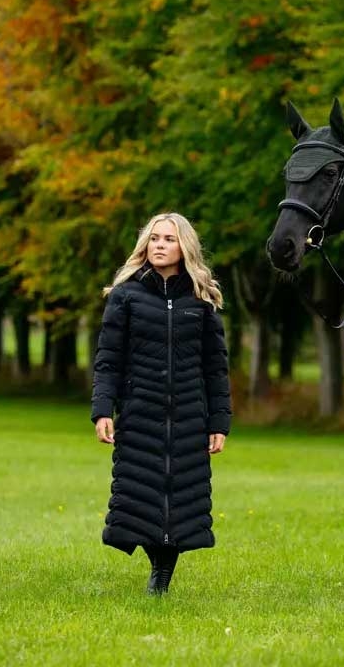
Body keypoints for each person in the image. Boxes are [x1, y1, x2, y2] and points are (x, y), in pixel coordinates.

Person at [91, 212, 232, 594]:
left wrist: (219, 420)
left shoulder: (201, 300)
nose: (159, 245)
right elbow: (108, 359)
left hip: (189, 416)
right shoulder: (125, 296)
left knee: (181, 498)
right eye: (154, 238)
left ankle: (163, 574)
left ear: (184, 246)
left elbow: (216, 368)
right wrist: (102, 409)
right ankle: (157, 564)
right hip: (140, 412)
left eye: (169, 239)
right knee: (141, 495)